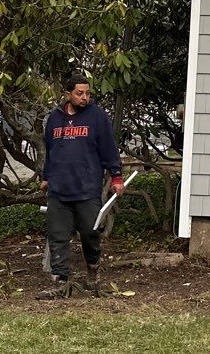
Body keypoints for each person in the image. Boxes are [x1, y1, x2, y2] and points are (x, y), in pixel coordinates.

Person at [36, 73, 124, 298]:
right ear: (68, 94)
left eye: (87, 93)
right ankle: (60, 284)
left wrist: (116, 177)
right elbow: (51, 152)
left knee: (90, 234)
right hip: (58, 190)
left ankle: (92, 274)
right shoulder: (54, 119)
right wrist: (46, 177)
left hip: (87, 189)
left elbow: (109, 149)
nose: (84, 97)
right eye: (79, 93)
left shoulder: (97, 117)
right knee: (58, 237)